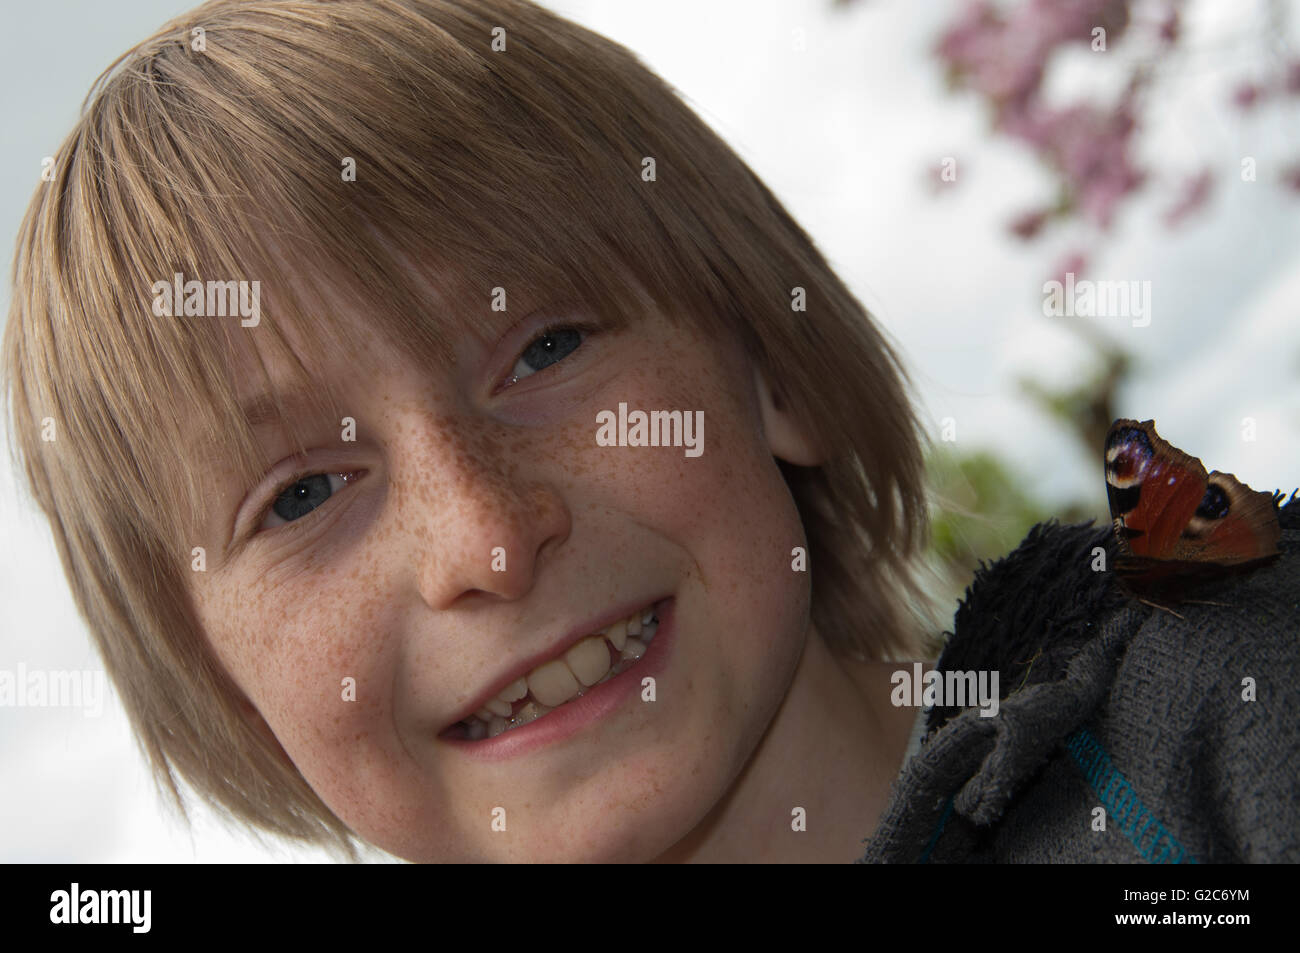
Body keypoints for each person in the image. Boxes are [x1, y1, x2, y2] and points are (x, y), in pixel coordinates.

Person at [5, 0, 1294, 863]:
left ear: (768, 363)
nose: (488, 537)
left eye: (546, 349)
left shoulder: (1227, 710)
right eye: (300, 496)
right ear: (223, 688)